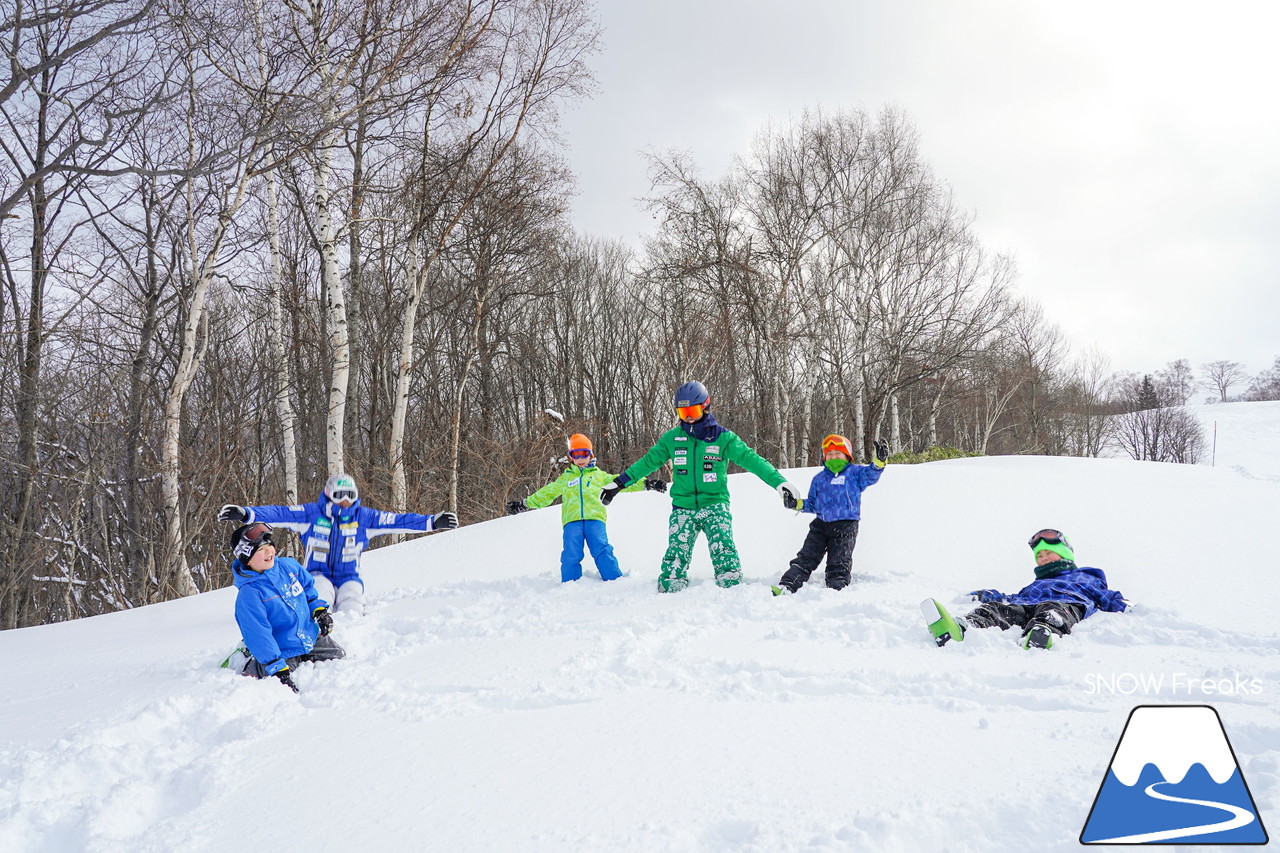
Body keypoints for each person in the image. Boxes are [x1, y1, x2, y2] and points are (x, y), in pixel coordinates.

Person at [601, 380, 800, 593]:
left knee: (724, 550)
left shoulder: (723, 438)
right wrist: (619, 483)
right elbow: (647, 462)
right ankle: (669, 595)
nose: (687, 416)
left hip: (715, 504)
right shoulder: (672, 439)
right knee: (675, 555)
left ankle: (732, 590)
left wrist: (780, 483)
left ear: (705, 406)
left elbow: (752, 460)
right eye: (682, 411)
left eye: (692, 410)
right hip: (683, 506)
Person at [218, 473, 457, 614]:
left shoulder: (364, 517)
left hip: (349, 575)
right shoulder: (311, 514)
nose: (344, 501)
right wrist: (246, 513)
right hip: (317, 573)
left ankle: (351, 643)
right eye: (339, 495)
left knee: (352, 601)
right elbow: (279, 513)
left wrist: (431, 522)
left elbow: (398, 520)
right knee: (320, 599)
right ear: (329, 494)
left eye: (349, 496)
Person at [922, 529, 1129, 650]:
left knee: (1052, 611)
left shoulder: (1085, 576)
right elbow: (1012, 598)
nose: (1044, 558)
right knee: (995, 609)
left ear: (1065, 554)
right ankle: (964, 628)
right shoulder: (1035, 585)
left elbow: (1109, 597)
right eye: (1039, 556)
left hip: (1066, 605)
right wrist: (988, 597)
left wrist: (1127, 607)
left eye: (1049, 553)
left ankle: (1040, 633)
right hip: (1027, 605)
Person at [506, 433, 667, 582]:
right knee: (571, 553)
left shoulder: (599, 476)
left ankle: (614, 580)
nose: (580, 458)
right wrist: (524, 504)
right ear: (571, 457)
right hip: (572, 521)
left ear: (591, 455)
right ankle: (570, 583)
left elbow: (621, 483)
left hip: (595, 519)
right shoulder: (566, 478)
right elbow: (546, 494)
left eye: (583, 453)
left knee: (602, 549)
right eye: (575, 454)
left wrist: (647, 484)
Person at [228, 522, 345, 692]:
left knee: (340, 658)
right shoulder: (250, 595)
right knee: (284, 690)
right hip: (281, 650)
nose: (269, 551)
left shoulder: (289, 567)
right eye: (260, 549)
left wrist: (319, 611)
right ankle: (251, 661)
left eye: (269, 545)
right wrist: (276, 667)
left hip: (309, 637)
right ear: (246, 558)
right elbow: (258, 633)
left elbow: (308, 592)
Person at [772, 433, 887, 595]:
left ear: (847, 456)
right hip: (820, 525)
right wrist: (796, 503)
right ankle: (788, 585)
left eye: (838, 453)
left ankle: (836, 590)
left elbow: (871, 474)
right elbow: (813, 503)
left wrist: (879, 463)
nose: (834, 457)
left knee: (839, 561)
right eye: (830, 454)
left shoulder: (855, 474)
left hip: (846, 526)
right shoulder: (819, 479)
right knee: (806, 557)